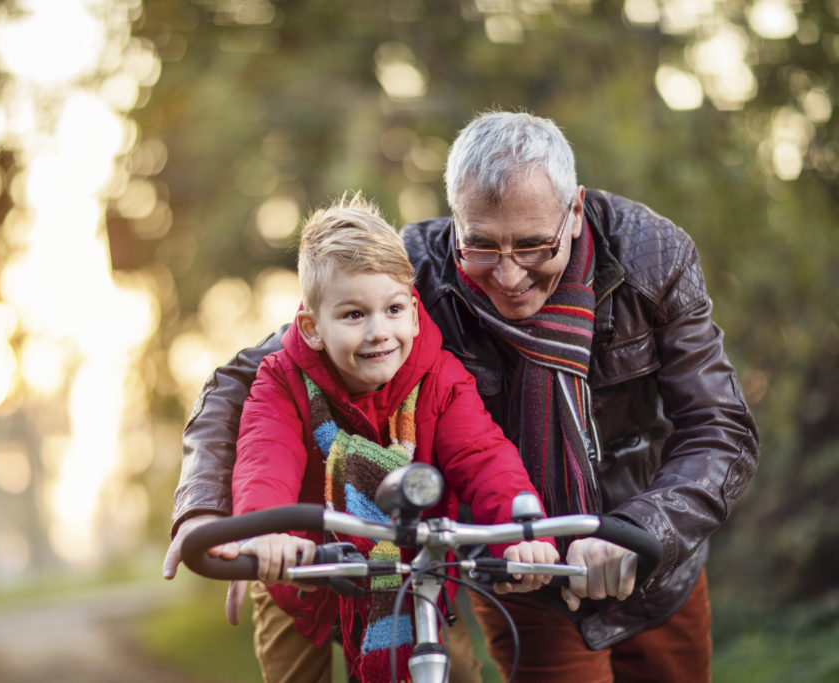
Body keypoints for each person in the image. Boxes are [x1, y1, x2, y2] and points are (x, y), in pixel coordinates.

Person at [163, 111, 759, 682]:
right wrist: (208, 515)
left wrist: (640, 529)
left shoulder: (652, 258)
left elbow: (720, 427)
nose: (507, 275)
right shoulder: (409, 280)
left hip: (653, 559)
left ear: (574, 212)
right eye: (481, 246)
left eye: (532, 246)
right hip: (525, 565)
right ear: (455, 220)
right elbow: (252, 377)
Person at [222, 194, 558, 682]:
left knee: (458, 670)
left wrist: (524, 530)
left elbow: (484, 455)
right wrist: (262, 530)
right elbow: (264, 457)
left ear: (416, 313)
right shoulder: (282, 381)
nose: (380, 331)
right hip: (302, 568)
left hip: (408, 568)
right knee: (292, 671)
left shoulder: (439, 379)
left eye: (394, 309)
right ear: (313, 329)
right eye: (354, 315)